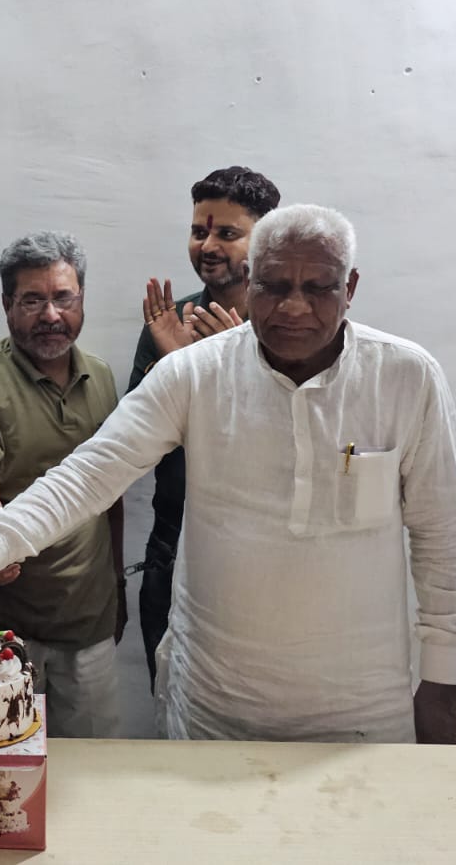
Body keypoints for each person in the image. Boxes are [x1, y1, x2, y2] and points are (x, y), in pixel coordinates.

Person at [0, 204, 456, 744]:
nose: (294, 307)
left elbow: (442, 537)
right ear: (249, 281)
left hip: (363, 708)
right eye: (273, 286)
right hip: (217, 702)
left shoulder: (405, 377)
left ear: (351, 287)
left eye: (318, 288)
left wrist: (443, 680)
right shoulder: (196, 373)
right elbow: (87, 476)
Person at [0, 231, 122, 738]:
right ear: (7, 304)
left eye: (63, 297)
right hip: (2, 622)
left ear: (81, 298)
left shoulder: (102, 378)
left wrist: (118, 585)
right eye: (32, 300)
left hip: (89, 621)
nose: (51, 315)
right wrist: (1, 542)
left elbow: (111, 495)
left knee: (91, 766)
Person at [127, 166, 280, 686]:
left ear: (266, 241)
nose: (208, 246)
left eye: (227, 233)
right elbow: (136, 446)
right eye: (199, 231)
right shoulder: (170, 323)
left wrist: (231, 372)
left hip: (259, 553)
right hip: (172, 550)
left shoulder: (289, 329)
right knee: (170, 702)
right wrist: (177, 368)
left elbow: (287, 448)